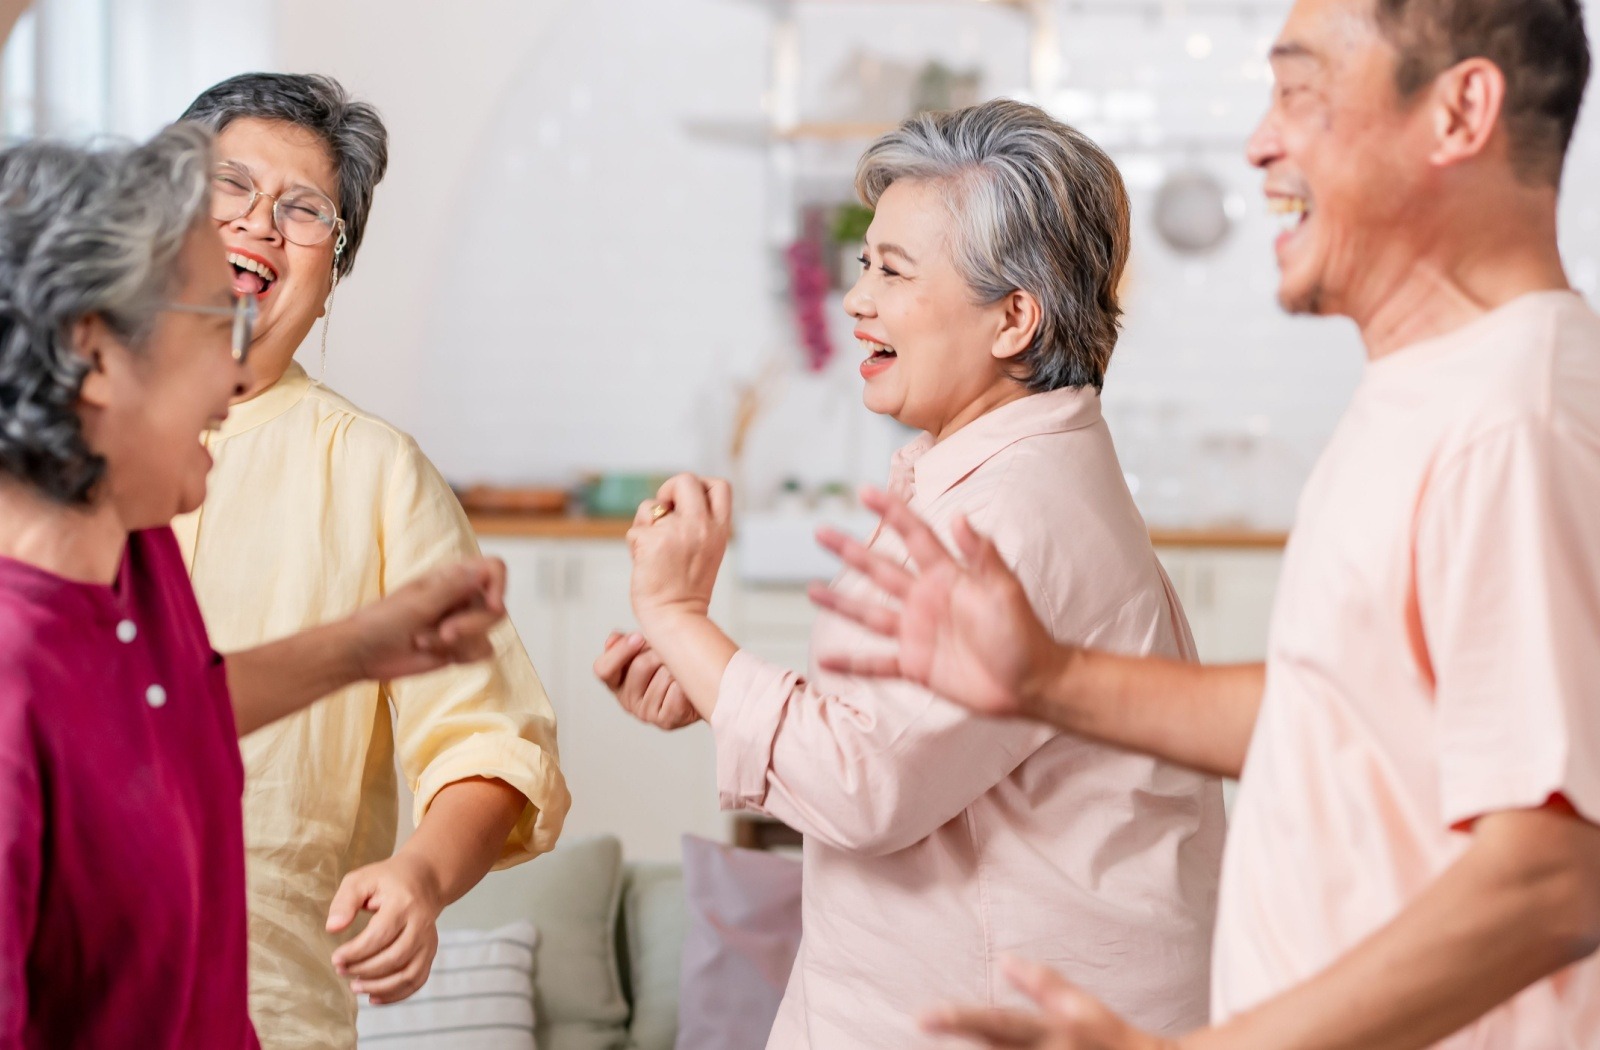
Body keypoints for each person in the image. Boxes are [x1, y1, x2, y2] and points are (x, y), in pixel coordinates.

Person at [811, 1, 1600, 1047]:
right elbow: (1359, 718)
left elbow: (1553, 874)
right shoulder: (1433, 393)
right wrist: (1046, 678)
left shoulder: (1515, 416)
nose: (1259, 140)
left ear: (1459, 113)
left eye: (1301, 93)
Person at [597, 99, 1225, 1048]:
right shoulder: (1003, 474)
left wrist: (679, 614)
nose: (858, 300)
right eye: (863, 266)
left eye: (893, 272)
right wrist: (712, 687)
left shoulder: (1010, 514)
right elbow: (918, 738)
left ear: (1015, 317)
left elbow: (864, 784)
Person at [0, 126, 512, 1049]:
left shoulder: (135, 535)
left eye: (303, 209)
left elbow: (158, 712)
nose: (234, 370)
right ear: (99, 356)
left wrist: (359, 647)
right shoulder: (26, 655)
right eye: (209, 318)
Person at [169, 73, 571, 1049]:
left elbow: (490, 741)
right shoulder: (60, 434)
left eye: (304, 210)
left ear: (333, 274)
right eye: (233, 187)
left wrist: (420, 877)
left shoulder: (378, 472)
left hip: (265, 1000)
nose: (261, 224)